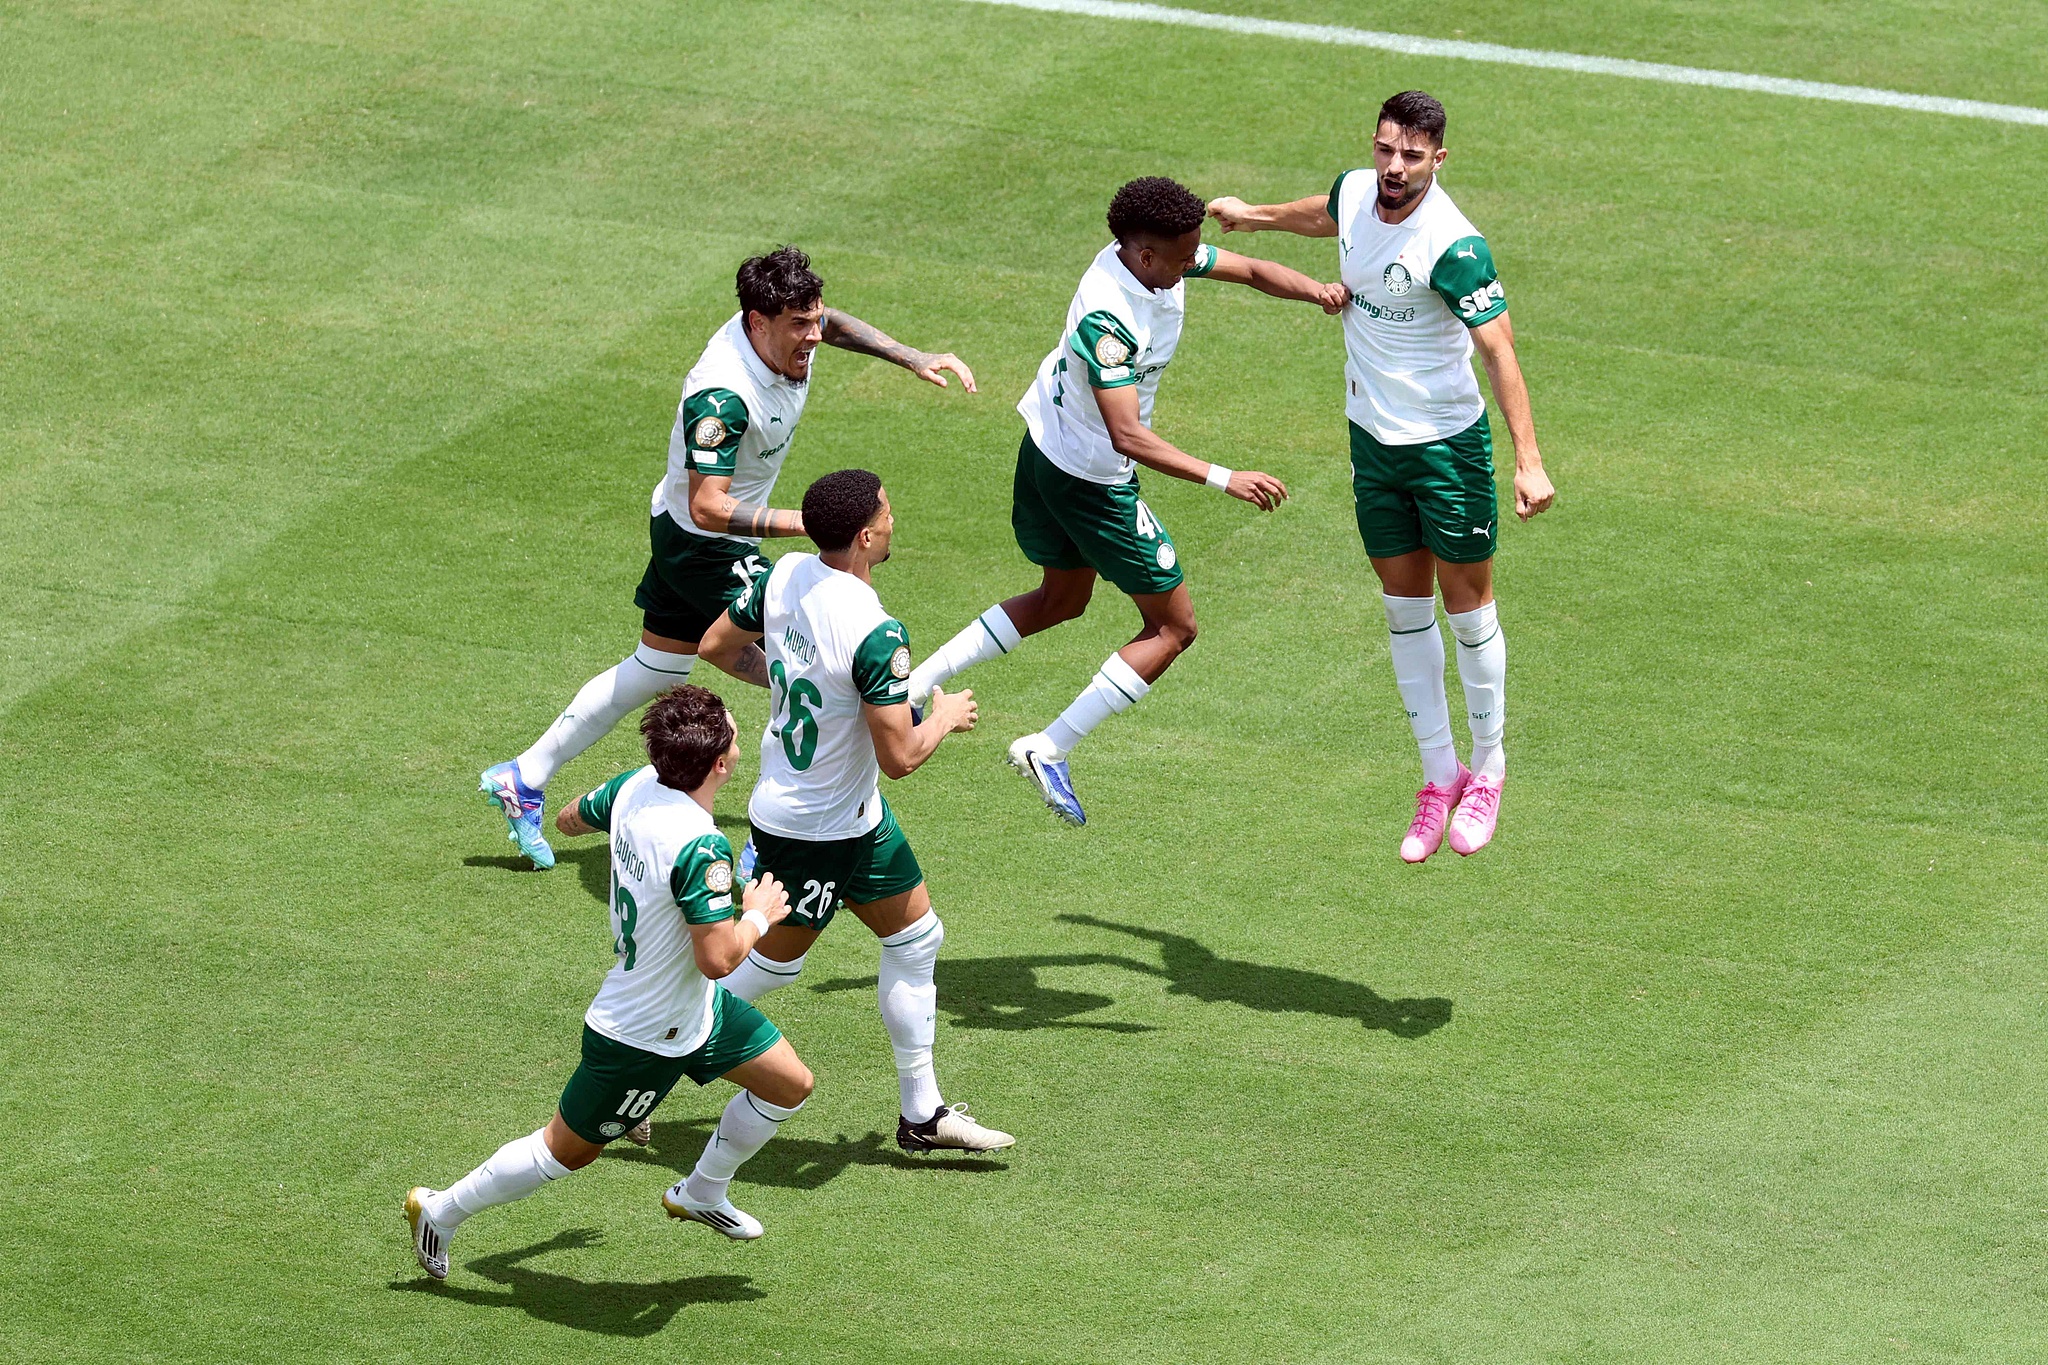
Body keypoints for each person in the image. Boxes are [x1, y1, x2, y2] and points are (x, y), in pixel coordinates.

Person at [481, 246, 977, 869]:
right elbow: (710, 505)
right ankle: (775, 841)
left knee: (656, 669)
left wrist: (912, 356)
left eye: (814, 319)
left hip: (683, 532)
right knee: (806, 662)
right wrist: (807, 521)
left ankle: (524, 777)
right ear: (756, 323)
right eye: (799, 325)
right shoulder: (722, 395)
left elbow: (837, 323)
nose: (813, 336)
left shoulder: (795, 332)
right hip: (705, 544)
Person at [905, 176, 1346, 826]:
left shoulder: (1157, 257)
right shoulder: (1107, 319)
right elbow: (1128, 434)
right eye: (1184, 255)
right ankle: (1047, 746)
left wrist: (1318, 292)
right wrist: (1228, 478)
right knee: (1175, 627)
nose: (1195, 261)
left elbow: (1249, 268)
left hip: (1045, 449)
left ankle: (915, 684)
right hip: (1090, 479)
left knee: (1062, 599)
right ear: (1145, 257)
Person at [1206, 90, 1556, 860]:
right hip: (1373, 444)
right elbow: (1325, 210)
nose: (1393, 168)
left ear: (1439, 159)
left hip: (1446, 450)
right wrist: (1254, 215)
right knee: (1403, 611)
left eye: (1411, 155)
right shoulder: (1359, 189)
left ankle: (1489, 770)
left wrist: (1529, 462)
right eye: (1385, 149)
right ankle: (1439, 777)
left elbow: (1499, 349)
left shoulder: (1457, 247)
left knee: (1467, 612)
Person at [406, 686, 812, 1280]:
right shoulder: (702, 847)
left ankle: (702, 1191)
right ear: (721, 764)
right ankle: (440, 1209)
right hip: (640, 1035)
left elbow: (571, 819)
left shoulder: (634, 785)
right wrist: (758, 914)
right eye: (730, 727)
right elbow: (719, 959)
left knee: (789, 1084)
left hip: (694, 1012)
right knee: (563, 1151)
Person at [699, 469, 1013, 1154]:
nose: (895, 517)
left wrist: (786, 674)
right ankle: (656, 1038)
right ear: (866, 535)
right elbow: (900, 754)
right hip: (811, 830)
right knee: (764, 967)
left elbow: (716, 646)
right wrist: (945, 715)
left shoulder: (783, 577)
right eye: (888, 510)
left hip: (855, 817)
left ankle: (922, 1113)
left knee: (917, 937)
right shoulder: (876, 630)